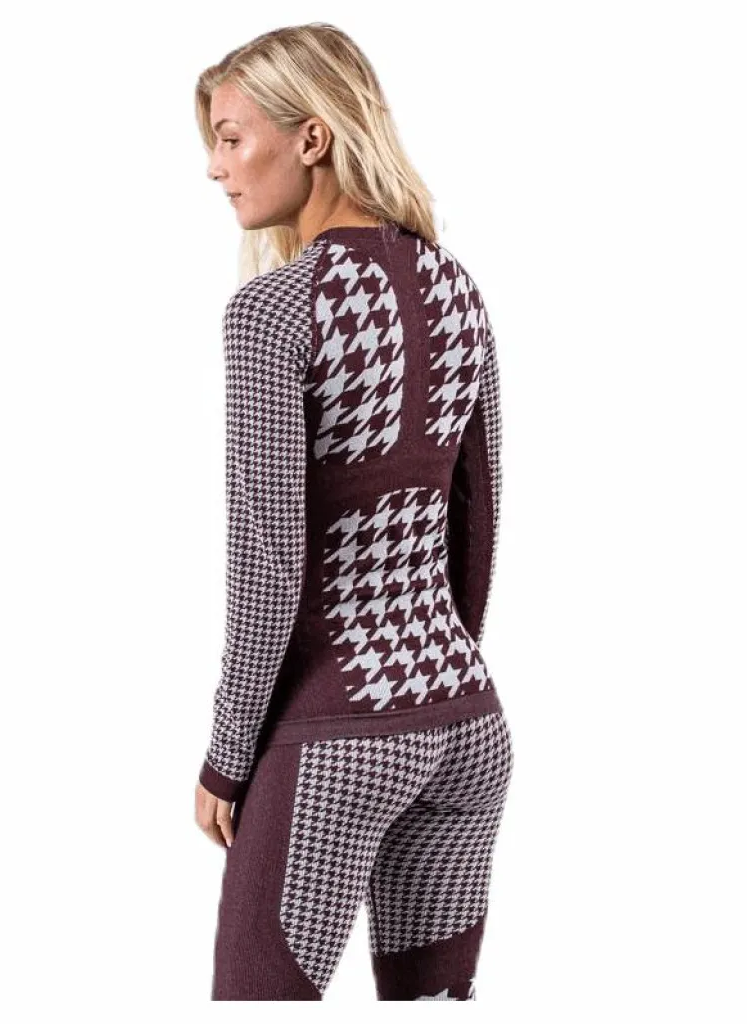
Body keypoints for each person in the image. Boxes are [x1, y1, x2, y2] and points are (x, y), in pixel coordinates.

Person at [192, 22, 514, 1001]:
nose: (215, 167)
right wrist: (430, 680)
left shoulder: (272, 310)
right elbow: (476, 522)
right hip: (467, 723)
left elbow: (269, 560)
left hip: (337, 735)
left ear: (312, 138)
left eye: (232, 137)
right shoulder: (458, 290)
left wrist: (227, 755)